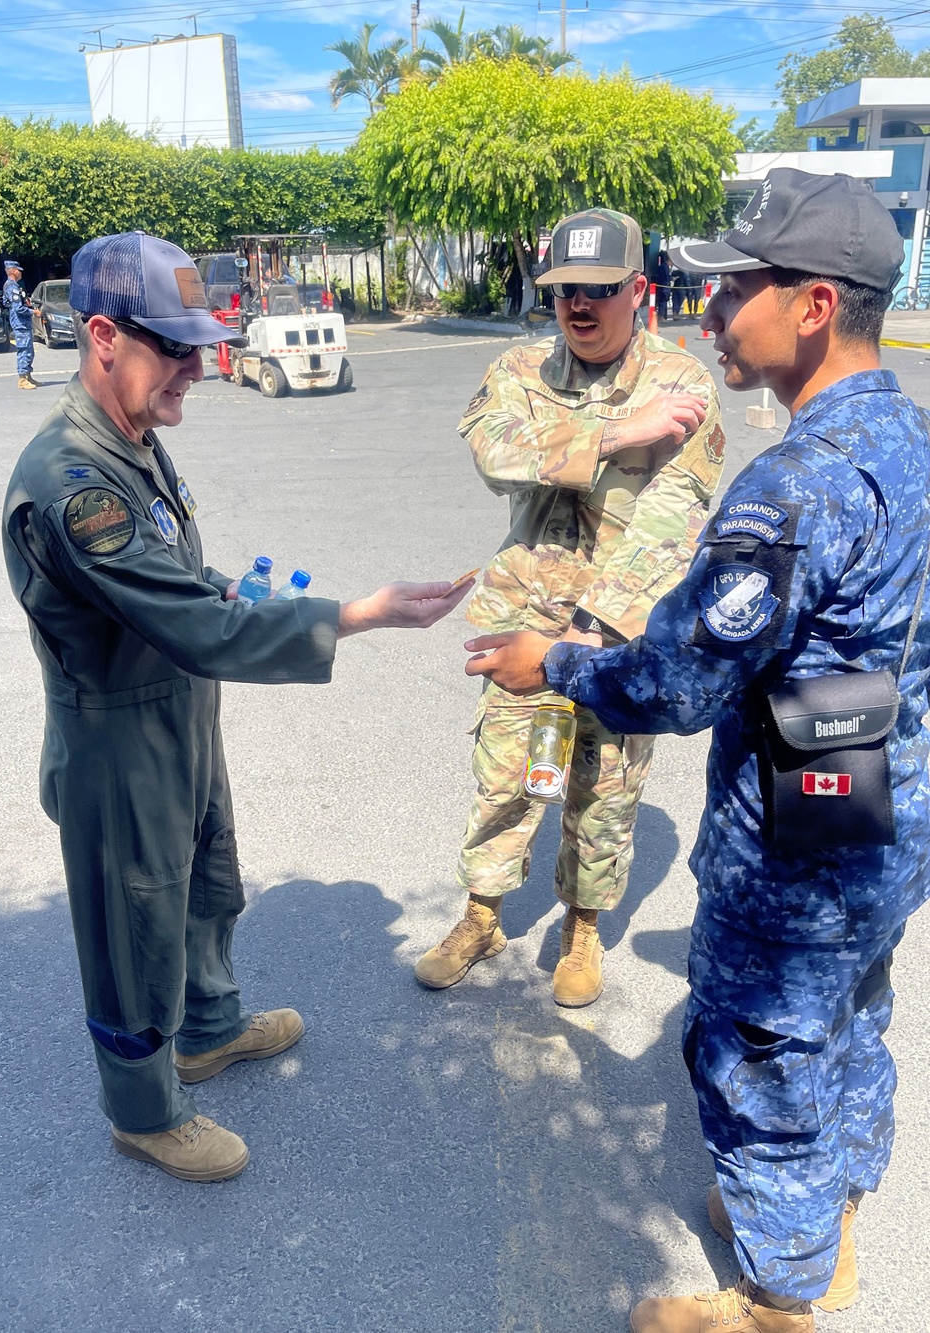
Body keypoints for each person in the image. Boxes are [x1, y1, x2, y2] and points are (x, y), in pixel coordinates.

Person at [461, 169, 929, 1332]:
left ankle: (777, 1297)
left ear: (814, 304)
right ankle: (827, 1217)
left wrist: (550, 665)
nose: (710, 312)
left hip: (797, 825)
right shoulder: (910, 436)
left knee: (755, 1049)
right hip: (881, 798)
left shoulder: (795, 485)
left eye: (736, 290)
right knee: (846, 1010)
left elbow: (669, 682)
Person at [1, 231, 470, 1184]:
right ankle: (143, 1109)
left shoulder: (131, 443)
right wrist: (356, 615)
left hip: (178, 709)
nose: (198, 369)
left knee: (206, 876)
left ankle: (209, 1029)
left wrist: (253, 597)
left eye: (200, 344)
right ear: (102, 336)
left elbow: (187, 582)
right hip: (117, 738)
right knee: (135, 924)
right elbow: (190, 620)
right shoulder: (72, 482)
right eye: (173, 348)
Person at [414, 207, 725, 1006]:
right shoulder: (521, 371)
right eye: (563, 291)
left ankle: (582, 927)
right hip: (523, 615)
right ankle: (482, 913)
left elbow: (675, 516)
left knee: (605, 788)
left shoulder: (683, 385)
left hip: (618, 632)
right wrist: (619, 433)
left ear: (639, 290)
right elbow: (495, 454)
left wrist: (590, 636)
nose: (578, 305)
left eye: (598, 288)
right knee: (504, 777)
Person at [2, 259, 39, 390]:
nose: (21, 272)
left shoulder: (14, 286)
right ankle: (23, 379)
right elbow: (18, 308)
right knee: (24, 349)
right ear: (13, 271)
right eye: (19, 270)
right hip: (20, 322)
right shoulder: (12, 287)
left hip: (22, 322)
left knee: (29, 349)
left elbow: (7, 304)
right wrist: (33, 311)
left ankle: (28, 376)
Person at [653, 251, 671, 323]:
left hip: (660, 286)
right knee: (663, 302)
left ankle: (661, 316)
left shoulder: (661, 267)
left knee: (661, 302)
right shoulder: (665, 267)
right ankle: (661, 316)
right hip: (664, 287)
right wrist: (671, 278)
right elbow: (666, 277)